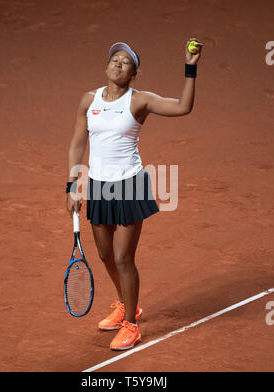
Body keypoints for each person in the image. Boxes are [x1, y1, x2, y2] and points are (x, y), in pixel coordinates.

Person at [66, 39, 203, 350]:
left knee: (123, 258)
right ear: (106, 65)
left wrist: (190, 68)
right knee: (104, 255)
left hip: (129, 185)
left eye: (125, 62)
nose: (118, 63)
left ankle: (132, 324)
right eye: (114, 58)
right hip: (99, 185)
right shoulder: (89, 100)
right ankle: (126, 304)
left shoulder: (139, 101)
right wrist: (72, 183)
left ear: (133, 74)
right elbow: (77, 142)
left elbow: (183, 107)